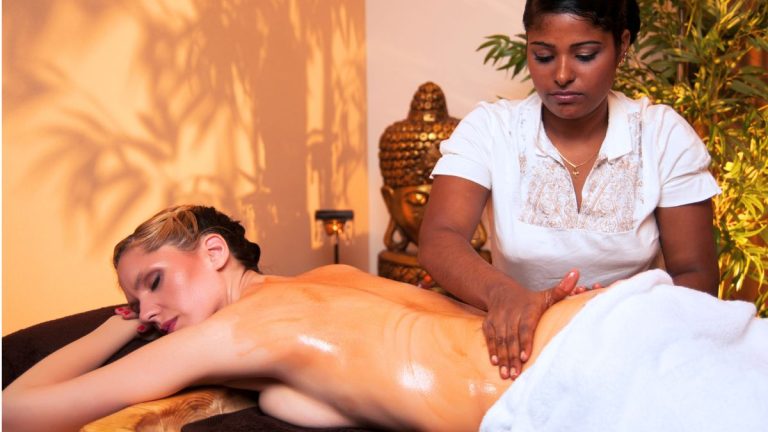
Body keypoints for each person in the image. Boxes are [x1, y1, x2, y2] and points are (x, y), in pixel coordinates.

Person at [3, 204, 596, 432]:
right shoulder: (331, 277)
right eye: (135, 304)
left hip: (568, 385)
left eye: (152, 284)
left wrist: (115, 325)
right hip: (590, 323)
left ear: (214, 252)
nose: (149, 313)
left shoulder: (236, 331)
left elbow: (15, 411)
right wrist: (132, 313)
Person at [419, 0, 721, 381]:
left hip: (636, 345)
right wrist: (503, 294)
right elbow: (439, 239)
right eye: (543, 56)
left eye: (585, 55)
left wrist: (615, 321)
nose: (561, 75)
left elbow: (696, 275)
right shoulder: (492, 129)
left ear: (622, 46)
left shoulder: (662, 135)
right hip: (518, 346)